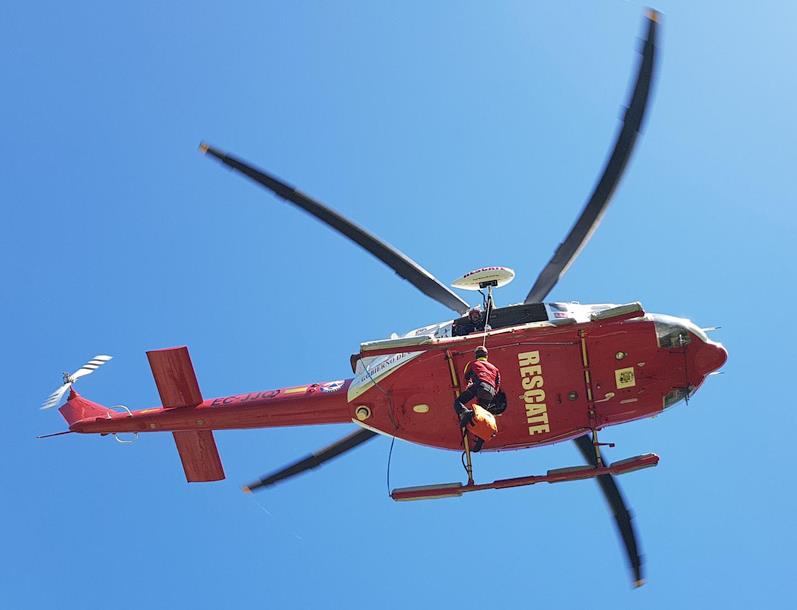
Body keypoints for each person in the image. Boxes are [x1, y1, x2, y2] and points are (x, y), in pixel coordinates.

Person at [454, 346, 501, 450]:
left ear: (476, 355)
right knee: (481, 418)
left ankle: (466, 412)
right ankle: (480, 440)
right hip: (491, 391)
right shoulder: (495, 368)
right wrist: (492, 394)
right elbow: (497, 384)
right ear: (486, 356)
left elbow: (466, 377)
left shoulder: (473, 364)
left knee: (458, 402)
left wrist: (468, 388)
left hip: (480, 385)